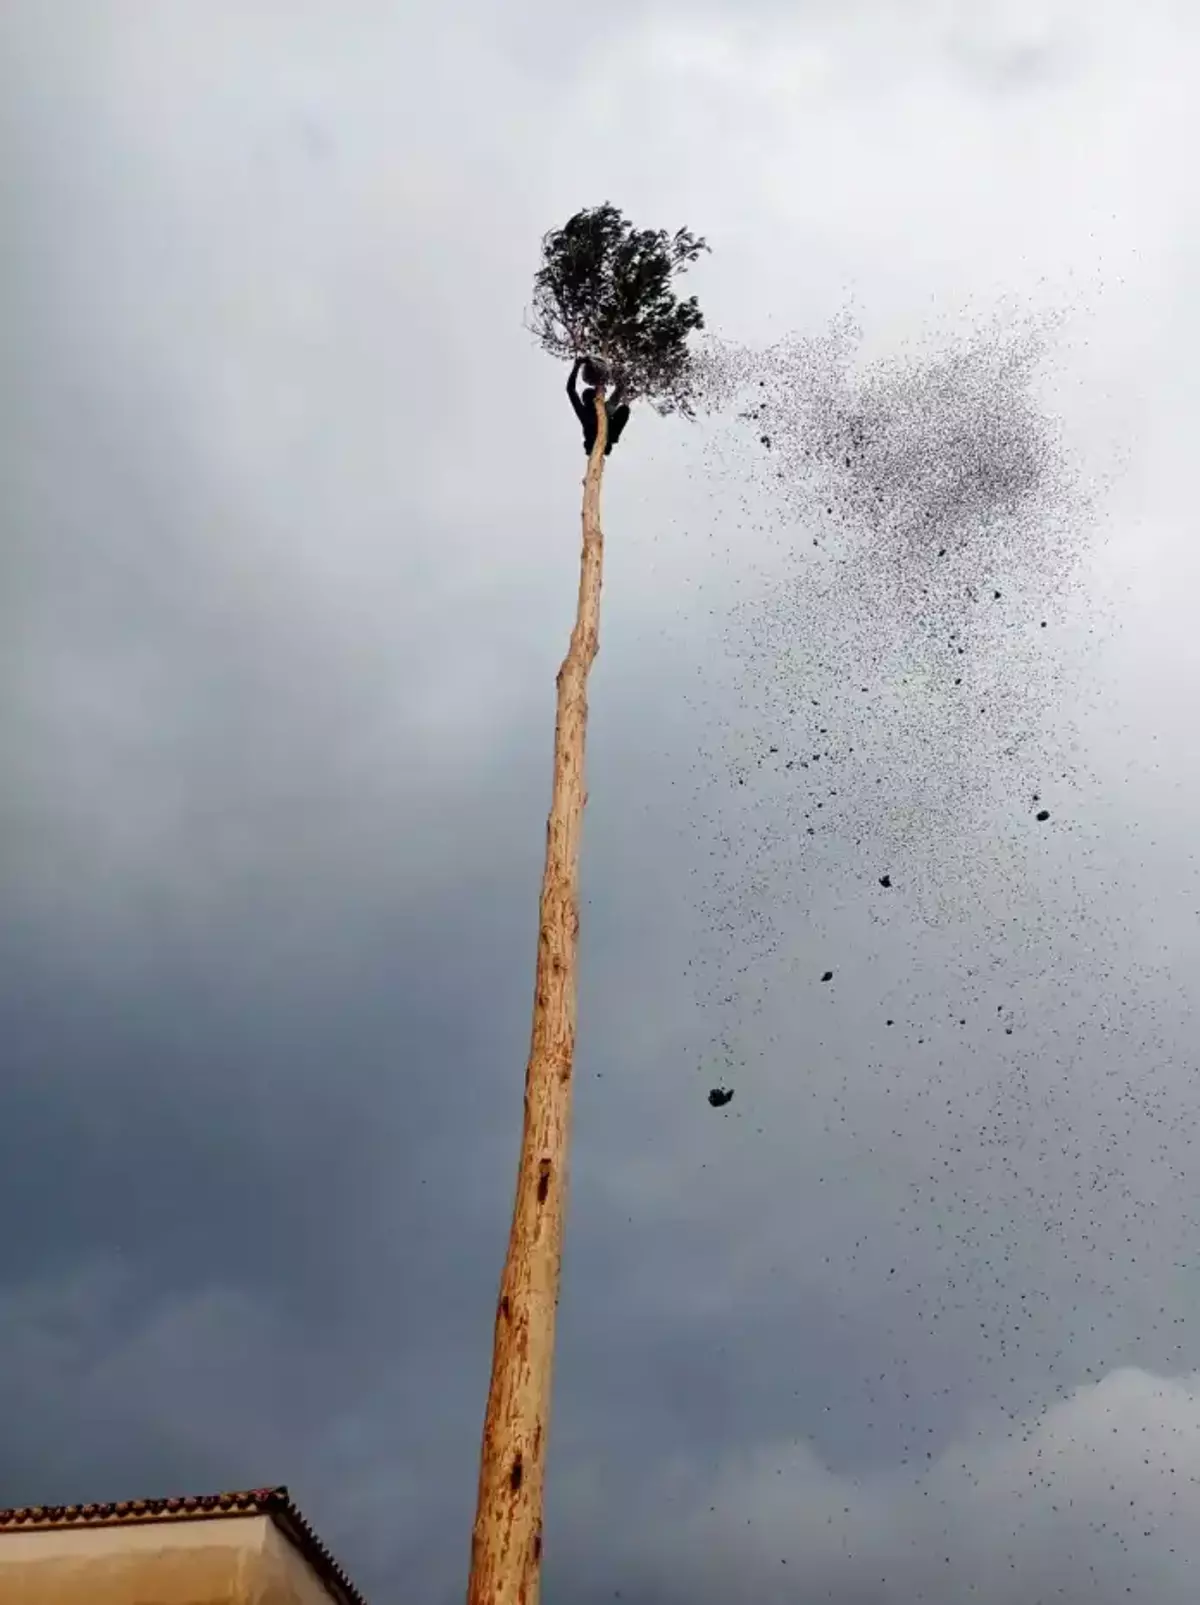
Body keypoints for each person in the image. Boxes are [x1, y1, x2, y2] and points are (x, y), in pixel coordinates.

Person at [566, 356, 631, 456]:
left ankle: (602, 444)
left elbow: (570, 389)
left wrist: (577, 367)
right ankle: (601, 444)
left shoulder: (587, 413)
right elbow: (570, 390)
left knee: (622, 409)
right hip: (604, 433)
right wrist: (577, 366)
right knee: (622, 409)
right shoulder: (587, 413)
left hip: (605, 433)